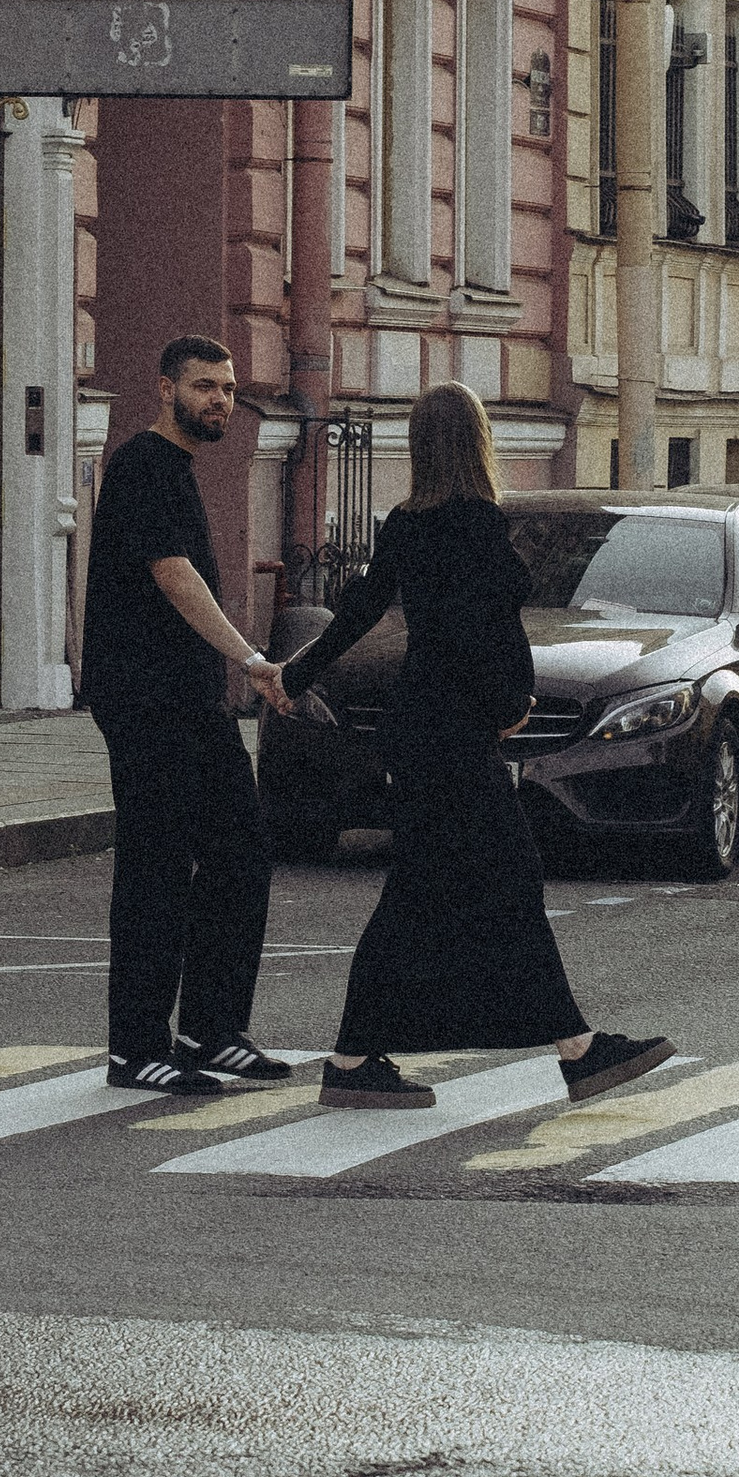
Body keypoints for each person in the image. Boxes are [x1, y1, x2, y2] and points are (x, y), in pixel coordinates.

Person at [275, 384, 672, 1114]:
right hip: (458, 734)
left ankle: (362, 1057)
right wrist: (510, 704)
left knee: (425, 889)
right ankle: (575, 1052)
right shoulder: (478, 523)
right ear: (478, 441)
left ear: (425, 447)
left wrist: (294, 672)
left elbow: (360, 611)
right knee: (503, 876)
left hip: (421, 728)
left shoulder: (407, 523)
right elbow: (492, 633)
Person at [79, 333, 291, 1097]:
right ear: (164, 388)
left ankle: (210, 1028)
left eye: (229, 389)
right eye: (205, 387)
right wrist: (251, 658)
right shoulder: (141, 466)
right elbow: (175, 578)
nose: (220, 401)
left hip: (191, 701)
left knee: (241, 853)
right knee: (157, 872)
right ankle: (135, 1047)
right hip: (144, 701)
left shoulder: (178, 469)